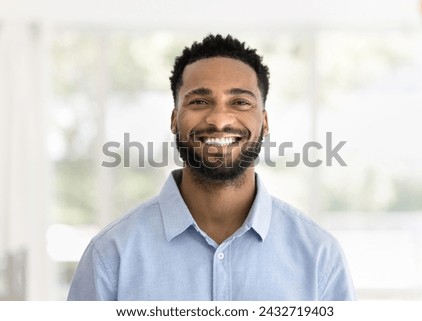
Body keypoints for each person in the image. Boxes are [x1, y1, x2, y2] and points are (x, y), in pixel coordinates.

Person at [67, 34, 355, 301]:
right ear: (174, 119)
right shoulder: (111, 255)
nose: (219, 120)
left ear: (264, 122)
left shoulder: (320, 257)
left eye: (240, 102)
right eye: (200, 101)